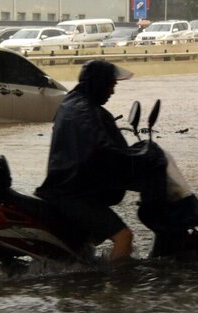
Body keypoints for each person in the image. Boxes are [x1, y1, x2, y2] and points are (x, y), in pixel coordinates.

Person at [35, 60, 166, 262]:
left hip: (70, 186)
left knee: (89, 243)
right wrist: (139, 161)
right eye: (111, 85)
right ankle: (116, 288)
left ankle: (89, 278)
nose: (113, 91)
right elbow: (104, 150)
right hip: (71, 193)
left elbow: (103, 148)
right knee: (124, 237)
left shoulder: (76, 103)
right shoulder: (84, 112)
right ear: (99, 83)